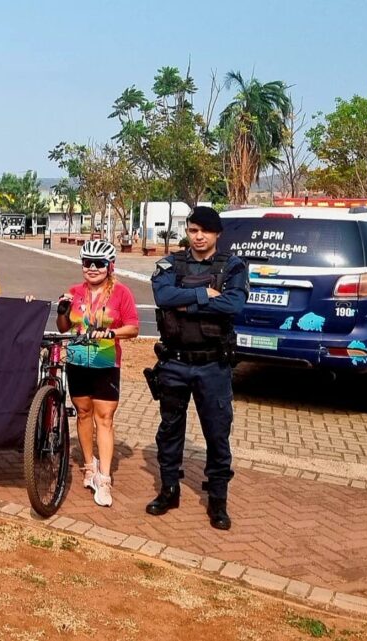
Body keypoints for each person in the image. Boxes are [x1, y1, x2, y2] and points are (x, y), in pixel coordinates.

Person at [146, 206, 248, 530]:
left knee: (217, 434)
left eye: (205, 230)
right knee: (170, 430)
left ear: (217, 233)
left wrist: (184, 302)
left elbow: (233, 303)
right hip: (175, 362)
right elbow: (163, 296)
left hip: (213, 365)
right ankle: (169, 490)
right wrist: (203, 294)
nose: (198, 236)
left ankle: (218, 501)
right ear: (187, 232)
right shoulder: (170, 263)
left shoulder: (232, 266)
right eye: (193, 230)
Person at [55, 239, 140, 507]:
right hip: (78, 361)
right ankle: (89, 466)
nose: (92, 268)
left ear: (110, 266)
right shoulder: (74, 292)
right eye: (86, 263)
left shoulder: (121, 293)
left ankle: (104, 478)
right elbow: (63, 328)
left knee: (104, 419)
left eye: (98, 264)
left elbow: (134, 327)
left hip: (105, 363)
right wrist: (62, 311)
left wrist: (112, 332)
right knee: (82, 414)